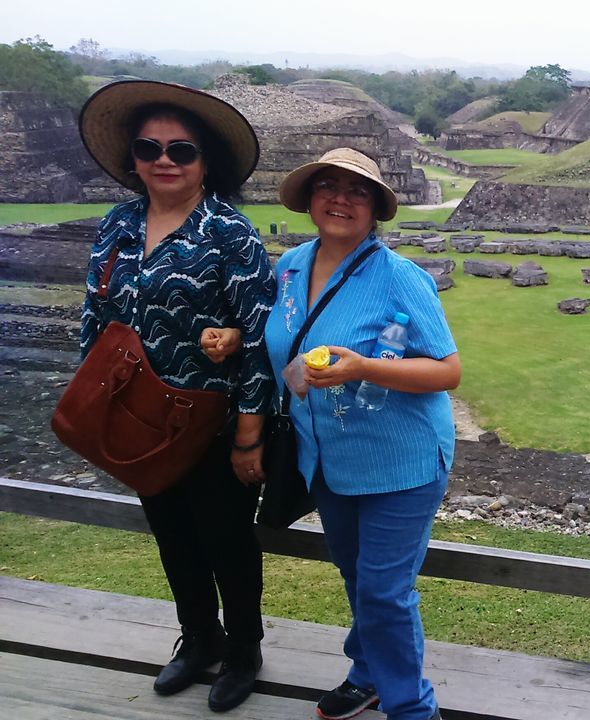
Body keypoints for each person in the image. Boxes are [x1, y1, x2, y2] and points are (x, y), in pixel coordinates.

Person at [77, 80, 275, 712]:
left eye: (181, 149)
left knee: (227, 540)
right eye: (149, 146)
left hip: (209, 422)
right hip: (137, 417)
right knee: (172, 534)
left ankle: (243, 648)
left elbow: (263, 337)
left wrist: (250, 434)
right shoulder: (118, 224)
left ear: (204, 162)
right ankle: (199, 638)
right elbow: (94, 317)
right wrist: (93, 401)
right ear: (132, 159)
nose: (164, 159)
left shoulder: (229, 232)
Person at [265, 148, 460, 720]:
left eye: (358, 191)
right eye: (328, 186)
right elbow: (280, 344)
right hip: (327, 458)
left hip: (402, 460)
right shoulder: (291, 267)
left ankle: (410, 708)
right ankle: (369, 673)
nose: (341, 200)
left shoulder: (402, 278)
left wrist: (364, 367)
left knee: (384, 592)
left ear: (376, 207)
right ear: (309, 199)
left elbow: (447, 371)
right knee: (357, 578)